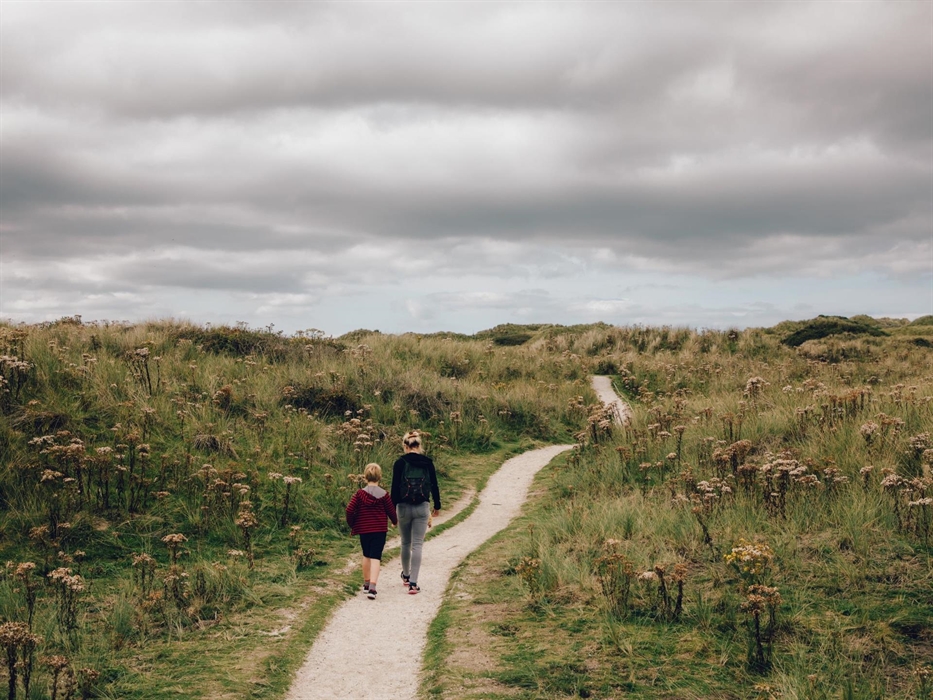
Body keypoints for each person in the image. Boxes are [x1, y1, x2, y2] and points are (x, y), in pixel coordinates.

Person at [390, 430, 441, 595]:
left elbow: (394, 489)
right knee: (418, 544)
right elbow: (434, 485)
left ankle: (405, 576)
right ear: (419, 446)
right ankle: (413, 583)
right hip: (422, 506)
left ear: (405, 446)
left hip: (403, 507)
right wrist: (437, 506)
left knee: (405, 543)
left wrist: (392, 512)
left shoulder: (399, 463)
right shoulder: (428, 462)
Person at [346, 463, 397, 600]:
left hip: (364, 529)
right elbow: (391, 511)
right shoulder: (384, 495)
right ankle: (373, 587)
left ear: (365, 477)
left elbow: (349, 510)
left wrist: (353, 523)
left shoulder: (359, 494)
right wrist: (394, 521)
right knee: (376, 557)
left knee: (366, 555)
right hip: (379, 530)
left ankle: (366, 584)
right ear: (379, 477)